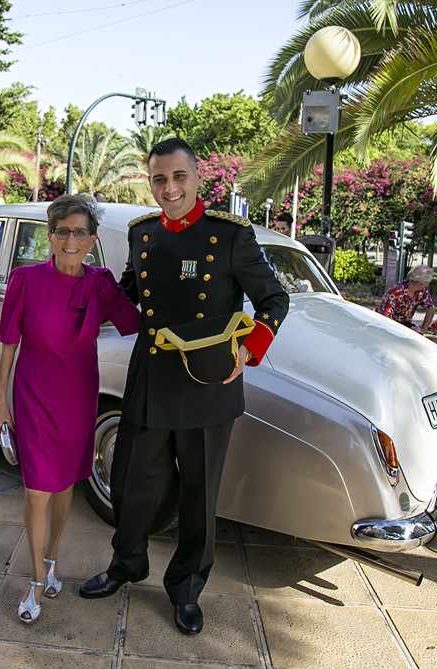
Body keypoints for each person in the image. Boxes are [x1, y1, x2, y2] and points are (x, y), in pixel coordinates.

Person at [80, 138, 289, 636]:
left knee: (198, 496)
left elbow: (274, 299)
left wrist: (249, 349)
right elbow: (128, 293)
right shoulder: (142, 234)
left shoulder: (229, 236)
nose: (169, 188)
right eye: (158, 178)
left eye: (178, 177)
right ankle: (127, 563)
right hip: (151, 380)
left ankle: (187, 588)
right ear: (149, 182)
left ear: (198, 178)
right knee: (130, 482)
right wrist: (78, 289)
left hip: (207, 385)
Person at [0, 194, 140, 624]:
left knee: (64, 485)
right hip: (34, 394)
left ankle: (51, 558)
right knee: (37, 487)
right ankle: (36, 580)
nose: (70, 240)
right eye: (61, 231)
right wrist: (0, 399)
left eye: (79, 232)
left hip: (78, 397)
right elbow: (9, 343)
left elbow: (135, 322)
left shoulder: (101, 284)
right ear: (50, 235)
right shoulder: (25, 279)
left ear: (92, 240)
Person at [375, 265, 436, 333]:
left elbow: (431, 309)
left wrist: (423, 329)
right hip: (386, 324)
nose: (426, 285)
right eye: (426, 283)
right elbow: (385, 315)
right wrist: (402, 329)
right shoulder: (397, 290)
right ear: (421, 284)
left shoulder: (422, 291)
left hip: (404, 324)